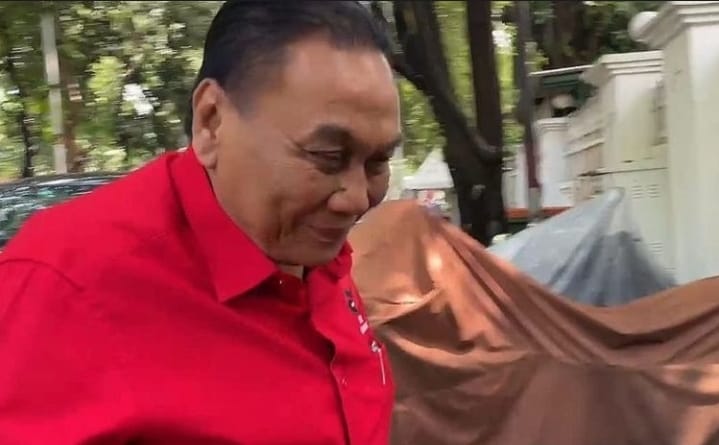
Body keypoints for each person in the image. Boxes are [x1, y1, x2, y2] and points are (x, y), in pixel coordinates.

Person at [0, 1, 401, 444]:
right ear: (211, 121)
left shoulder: (314, 249)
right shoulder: (64, 283)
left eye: (377, 162)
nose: (357, 198)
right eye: (328, 157)